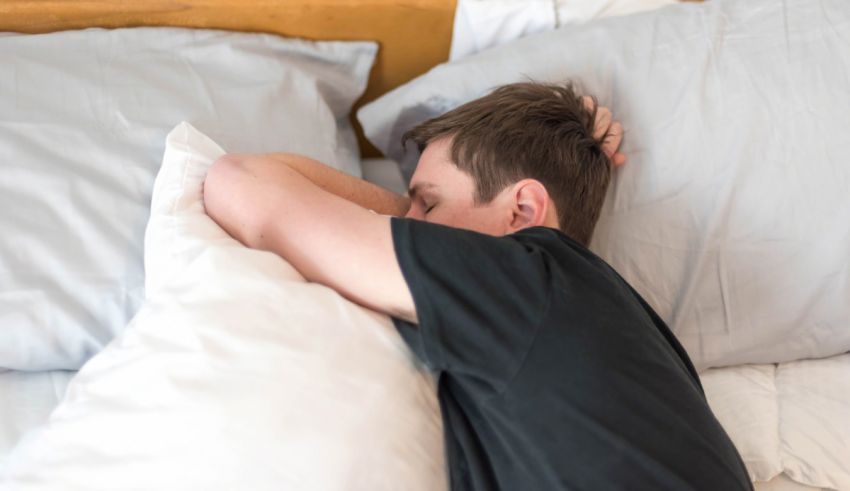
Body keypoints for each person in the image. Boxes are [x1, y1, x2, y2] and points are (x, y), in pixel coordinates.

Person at [202, 82, 753, 490]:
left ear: (522, 208)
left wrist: (393, 228)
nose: (409, 221)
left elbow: (239, 182)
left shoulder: (522, 278)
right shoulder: (613, 329)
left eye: (429, 201)